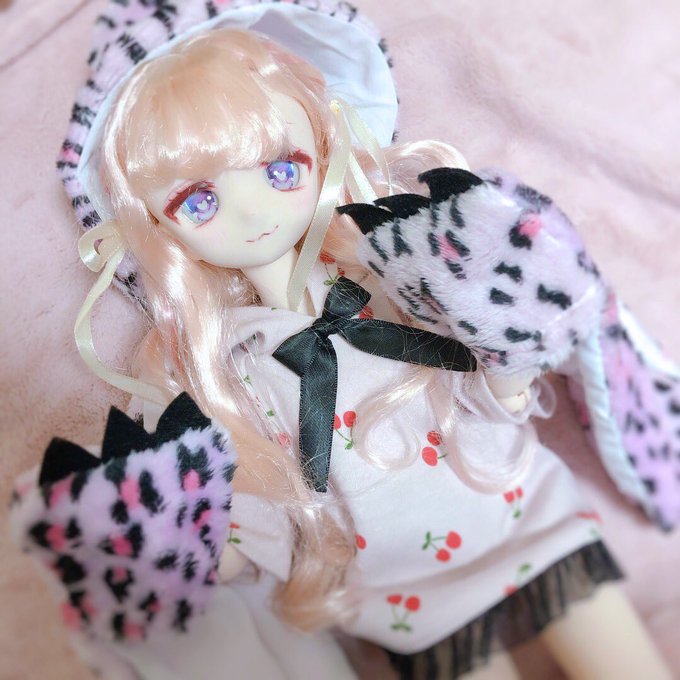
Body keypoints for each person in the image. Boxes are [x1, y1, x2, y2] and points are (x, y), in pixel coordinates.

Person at [12, 2, 675, 678]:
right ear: (154, 224)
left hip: (522, 512)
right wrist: (199, 547)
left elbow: (487, 387)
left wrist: (509, 368)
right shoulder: (228, 369)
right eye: (199, 202)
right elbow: (264, 504)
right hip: (403, 591)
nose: (252, 212)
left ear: (323, 149)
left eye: (280, 170)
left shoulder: (387, 277)